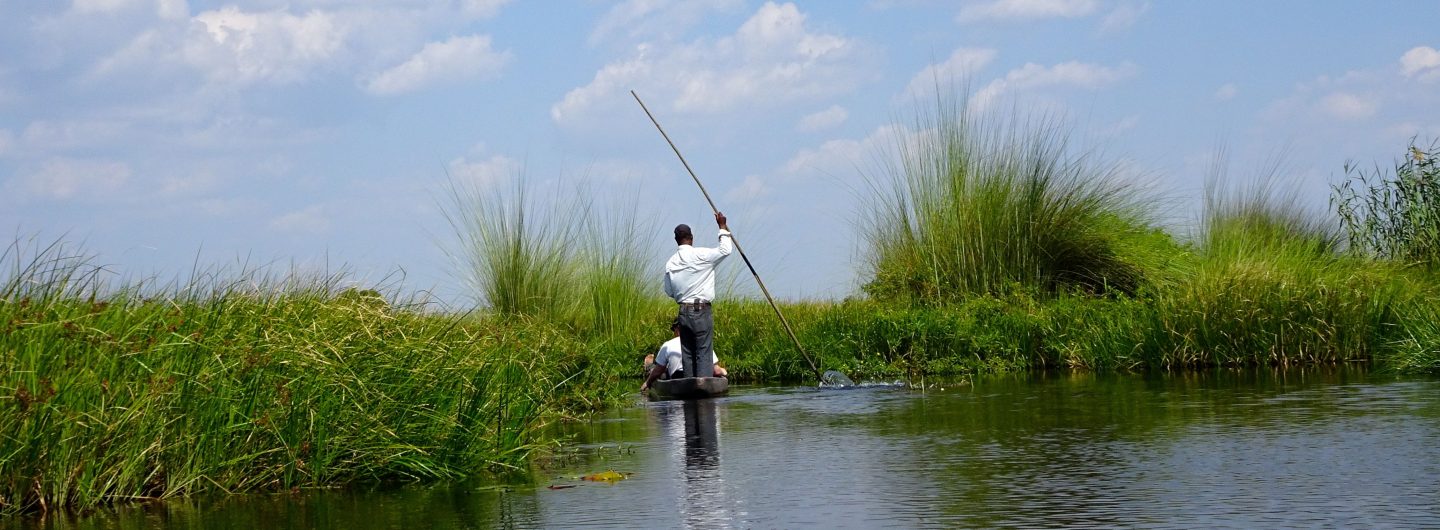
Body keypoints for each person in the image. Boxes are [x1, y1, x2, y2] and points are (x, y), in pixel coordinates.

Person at [661, 211, 732, 380]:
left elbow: (669, 291)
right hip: (701, 310)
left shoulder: (671, 262)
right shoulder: (702, 255)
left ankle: (690, 390)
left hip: (683, 312)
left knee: (688, 353)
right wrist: (722, 226)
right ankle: (703, 390)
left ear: (676, 240)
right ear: (691, 238)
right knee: (703, 351)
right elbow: (725, 249)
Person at [641, 319, 727, 391]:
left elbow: (659, 369)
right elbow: (716, 370)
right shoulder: (703, 344)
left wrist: (648, 382)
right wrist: (724, 372)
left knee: (659, 372)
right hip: (703, 378)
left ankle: (650, 368)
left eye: (673, 330)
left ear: (677, 329)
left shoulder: (668, 344)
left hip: (678, 380)